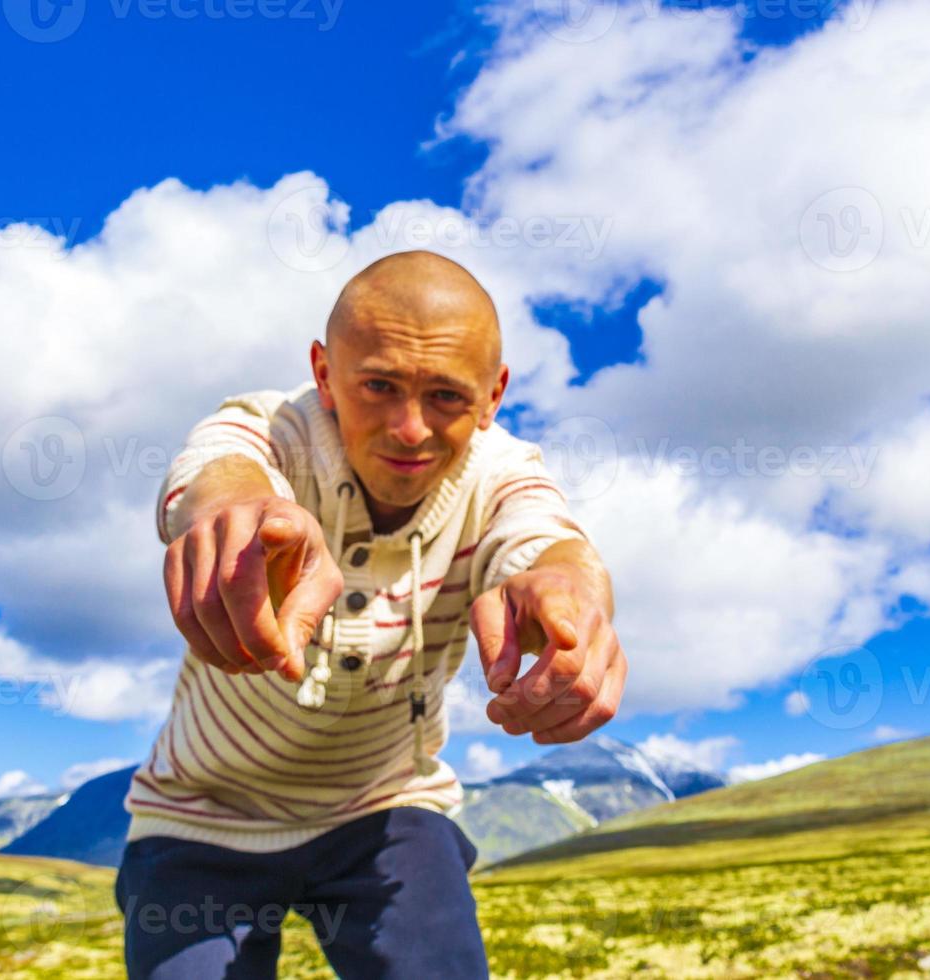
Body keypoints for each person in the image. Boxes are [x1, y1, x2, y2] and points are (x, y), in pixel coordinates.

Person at [114, 250, 626, 978]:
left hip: (385, 808)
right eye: (378, 385)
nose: (409, 429)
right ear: (323, 373)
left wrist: (570, 597)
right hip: (201, 811)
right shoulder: (277, 430)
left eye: (447, 396)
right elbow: (219, 464)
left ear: (494, 394)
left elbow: (546, 540)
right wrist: (233, 515)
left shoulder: (504, 474)